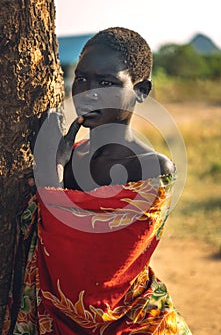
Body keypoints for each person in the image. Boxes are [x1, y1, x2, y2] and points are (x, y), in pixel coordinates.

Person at [3, 27, 191, 334]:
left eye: (107, 82)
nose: (89, 92)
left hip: (133, 320)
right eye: (82, 78)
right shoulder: (68, 157)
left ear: (141, 90)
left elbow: (102, 273)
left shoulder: (152, 169)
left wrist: (54, 177)